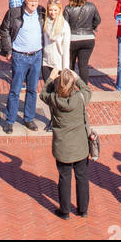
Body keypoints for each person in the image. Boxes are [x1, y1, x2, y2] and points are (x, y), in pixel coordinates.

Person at [38, 67, 91, 219]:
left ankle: (65, 211)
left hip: (63, 146)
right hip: (80, 145)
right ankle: (83, 209)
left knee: (64, 178)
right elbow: (87, 90)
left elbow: (42, 94)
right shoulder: (80, 98)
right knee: (82, 177)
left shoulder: (54, 99)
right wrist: (77, 77)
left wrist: (50, 78)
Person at [0, 0, 46, 133]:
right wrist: (8, 50)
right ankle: (10, 120)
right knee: (15, 89)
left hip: (36, 55)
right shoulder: (14, 13)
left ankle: (29, 118)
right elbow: (4, 30)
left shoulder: (41, 12)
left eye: (36, 1)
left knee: (32, 89)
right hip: (20, 56)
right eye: (31, 1)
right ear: (25, 0)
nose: (34, 4)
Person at [63, 0, 101, 83]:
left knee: (70, 64)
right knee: (83, 65)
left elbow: (65, 25)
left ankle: (69, 86)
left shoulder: (68, 9)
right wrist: (91, 27)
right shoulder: (91, 6)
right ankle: (84, 89)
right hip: (88, 38)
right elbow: (98, 20)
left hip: (72, 39)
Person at [42, 0, 71, 82]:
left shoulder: (64, 25)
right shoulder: (45, 23)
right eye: (50, 10)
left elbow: (66, 49)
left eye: (55, 10)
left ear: (59, 9)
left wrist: (65, 69)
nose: (53, 13)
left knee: (57, 92)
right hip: (46, 62)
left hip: (58, 64)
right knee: (47, 90)